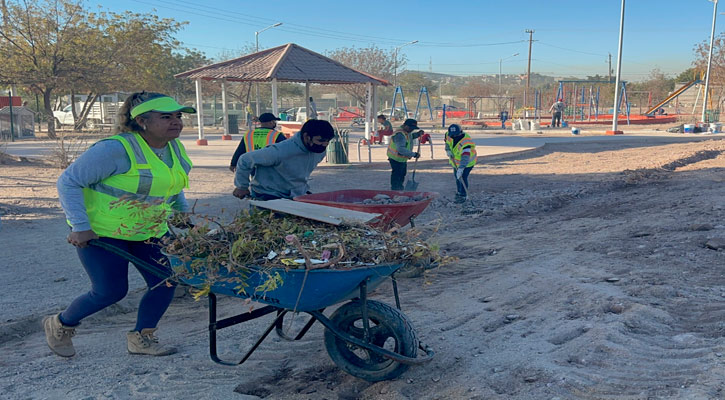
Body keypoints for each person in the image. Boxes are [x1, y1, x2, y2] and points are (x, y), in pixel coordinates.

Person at [47, 92, 195, 358]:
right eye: (166, 117)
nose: (176, 122)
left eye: (178, 116)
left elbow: (172, 185)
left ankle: (142, 337)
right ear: (143, 121)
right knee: (110, 291)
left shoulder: (173, 148)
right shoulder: (115, 149)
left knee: (166, 282)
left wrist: (181, 213)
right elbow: (68, 182)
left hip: (149, 231)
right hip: (102, 233)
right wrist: (79, 226)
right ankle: (61, 323)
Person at [233, 119, 334, 200]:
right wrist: (242, 186)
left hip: (296, 195)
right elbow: (245, 159)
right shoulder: (281, 151)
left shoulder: (319, 151)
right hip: (268, 197)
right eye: (320, 140)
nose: (324, 145)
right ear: (306, 137)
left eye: (327, 141)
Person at [387, 118, 423, 191]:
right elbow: (401, 149)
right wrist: (414, 154)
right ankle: (395, 190)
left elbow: (410, 137)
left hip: (401, 158)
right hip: (396, 158)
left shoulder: (406, 132)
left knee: (402, 174)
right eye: (411, 128)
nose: (412, 130)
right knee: (397, 175)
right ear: (406, 126)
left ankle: (399, 189)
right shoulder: (399, 135)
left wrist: (417, 134)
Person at [444, 124, 477, 203]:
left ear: (460, 132)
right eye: (452, 135)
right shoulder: (448, 134)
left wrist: (461, 168)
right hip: (455, 161)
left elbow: (465, 157)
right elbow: (447, 143)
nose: (454, 137)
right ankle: (459, 193)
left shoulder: (466, 142)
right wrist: (448, 150)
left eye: (455, 135)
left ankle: (463, 195)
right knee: (457, 177)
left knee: (462, 177)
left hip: (468, 162)